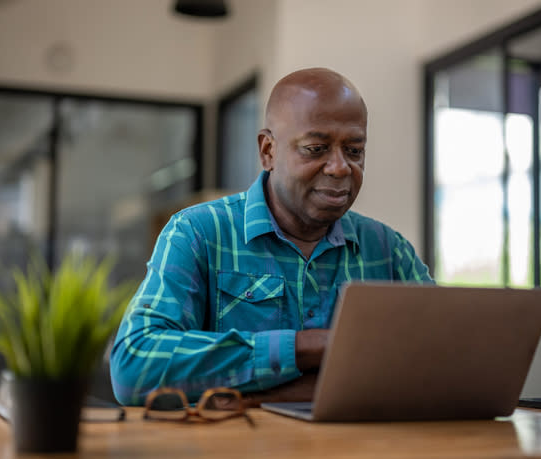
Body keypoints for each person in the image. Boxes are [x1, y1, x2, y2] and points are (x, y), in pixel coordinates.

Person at [109, 68, 434, 406]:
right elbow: (135, 365)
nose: (340, 167)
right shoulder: (197, 233)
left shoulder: (387, 249)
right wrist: (309, 346)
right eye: (316, 148)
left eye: (354, 151)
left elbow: (444, 360)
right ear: (268, 151)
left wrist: (268, 393)